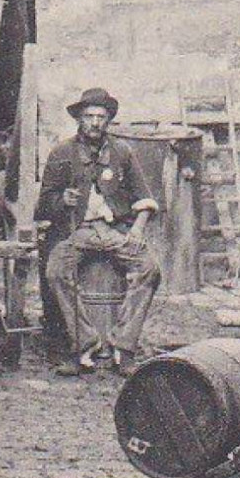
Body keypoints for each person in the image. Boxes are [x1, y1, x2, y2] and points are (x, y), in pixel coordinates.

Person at [38, 87, 162, 377]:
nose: (95, 122)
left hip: (114, 230)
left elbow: (144, 198)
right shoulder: (61, 153)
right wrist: (61, 201)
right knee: (55, 271)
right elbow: (44, 205)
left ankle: (124, 347)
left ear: (109, 120)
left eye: (101, 117)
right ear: (79, 120)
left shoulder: (122, 152)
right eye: (89, 116)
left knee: (150, 269)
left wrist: (138, 229)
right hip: (76, 231)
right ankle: (83, 344)